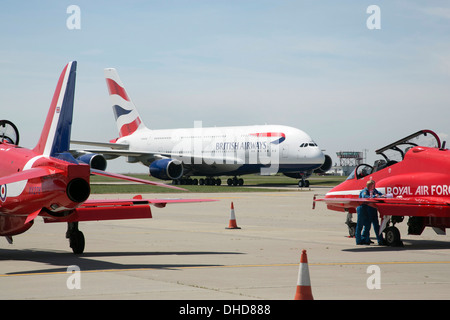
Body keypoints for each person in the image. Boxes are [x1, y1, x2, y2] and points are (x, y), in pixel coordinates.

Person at [357, 180, 384, 245]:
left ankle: (379, 240)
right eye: (372, 185)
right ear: (369, 185)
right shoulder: (365, 191)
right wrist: (375, 196)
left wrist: (382, 195)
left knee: (375, 225)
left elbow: (380, 194)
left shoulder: (374, 190)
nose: (374, 186)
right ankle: (362, 240)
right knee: (365, 225)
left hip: (373, 208)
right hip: (366, 209)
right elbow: (365, 197)